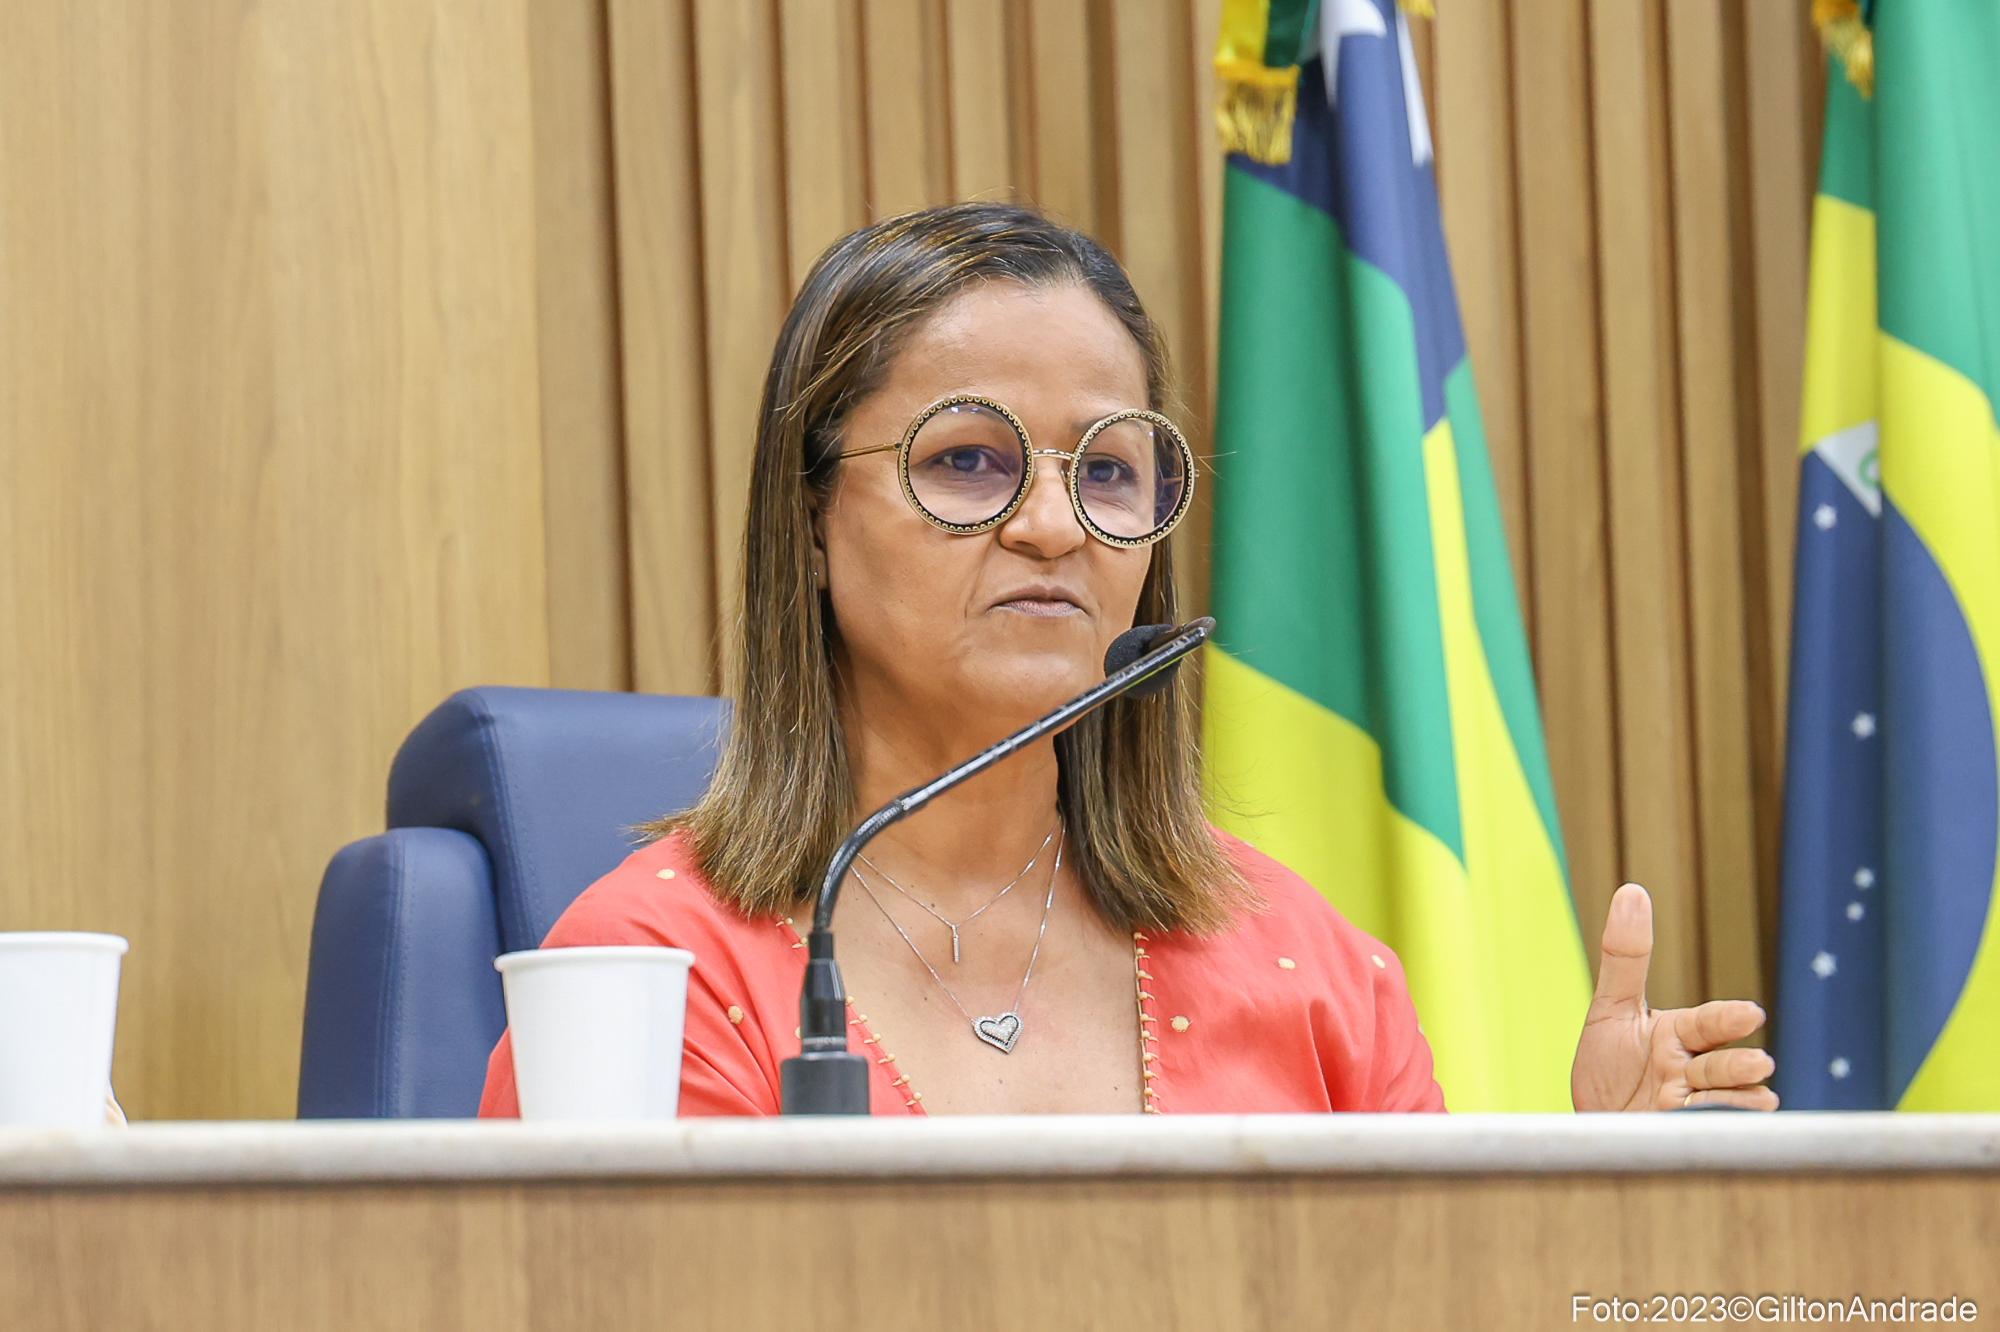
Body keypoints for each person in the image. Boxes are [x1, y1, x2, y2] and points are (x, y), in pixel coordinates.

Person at [480, 203, 1778, 1117]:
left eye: (1108, 471)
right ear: (812, 519)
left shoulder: (1311, 967)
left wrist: (1595, 1201)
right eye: (968, 459)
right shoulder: (651, 977)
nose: (1054, 525)